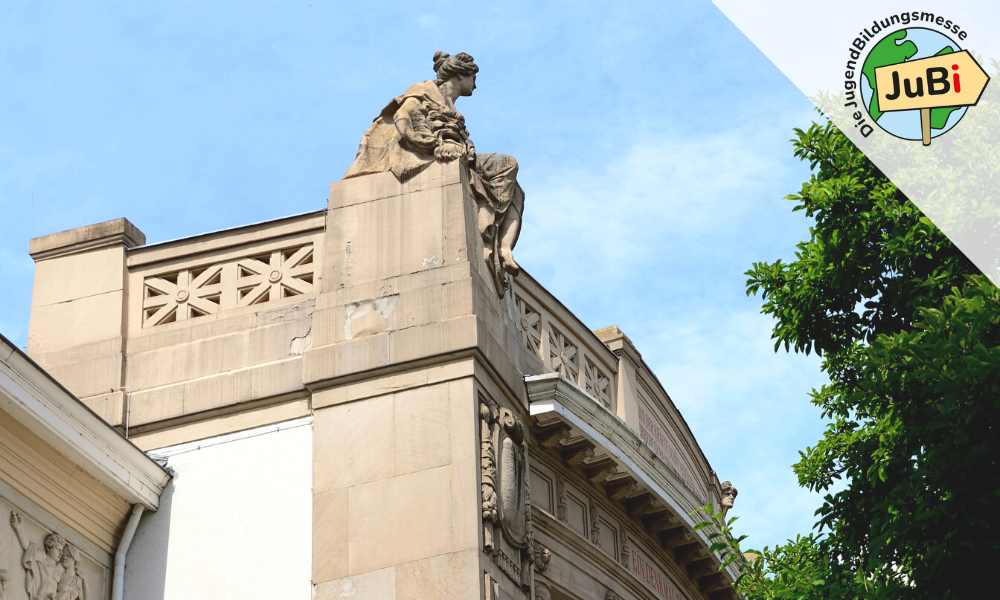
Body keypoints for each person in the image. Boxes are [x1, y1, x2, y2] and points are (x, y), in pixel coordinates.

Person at [345, 51, 524, 294]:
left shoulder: (452, 105)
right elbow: (402, 115)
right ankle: (490, 234)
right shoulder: (425, 89)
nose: (475, 84)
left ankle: (503, 248)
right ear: (460, 75)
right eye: (473, 78)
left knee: (510, 174)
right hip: (429, 148)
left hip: (458, 153)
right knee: (507, 165)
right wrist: (418, 139)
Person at [10, 511, 65, 600]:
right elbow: (27, 547)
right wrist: (19, 529)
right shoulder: (43, 557)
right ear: (49, 548)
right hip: (41, 597)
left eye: (62, 551)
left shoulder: (60, 567)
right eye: (58, 550)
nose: (61, 553)